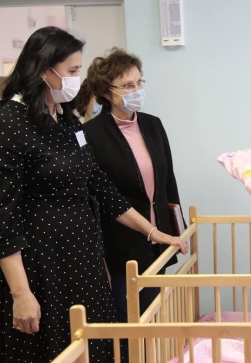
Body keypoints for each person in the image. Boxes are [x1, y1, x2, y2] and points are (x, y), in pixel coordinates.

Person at [0, 26, 187, 363]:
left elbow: (100, 186)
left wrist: (153, 232)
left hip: (82, 258)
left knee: (92, 354)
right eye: (72, 70)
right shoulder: (6, 125)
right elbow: (3, 219)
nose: (77, 78)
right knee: (48, 356)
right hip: (39, 265)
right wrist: (21, 294)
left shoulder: (66, 119)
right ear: (44, 70)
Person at [75, 48, 185, 322]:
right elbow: (99, 195)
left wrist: (177, 227)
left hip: (159, 237)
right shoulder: (90, 134)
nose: (136, 90)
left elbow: (168, 181)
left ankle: (154, 353)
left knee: (155, 313)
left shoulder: (153, 125)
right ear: (106, 91)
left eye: (138, 82)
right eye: (127, 86)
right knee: (130, 317)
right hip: (122, 242)